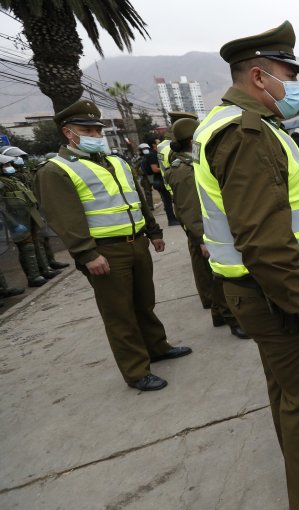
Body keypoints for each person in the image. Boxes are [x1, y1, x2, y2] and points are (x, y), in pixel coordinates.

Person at [194, 21, 299, 510]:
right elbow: (264, 242)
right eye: (288, 75)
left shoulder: (233, 124)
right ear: (257, 76)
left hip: (256, 290)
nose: (296, 87)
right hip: (275, 292)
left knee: (288, 393)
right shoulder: (247, 134)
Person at [34, 99, 191, 391]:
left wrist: (154, 231)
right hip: (105, 251)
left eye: (97, 130)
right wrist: (87, 253)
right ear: (69, 133)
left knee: (144, 302)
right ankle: (136, 370)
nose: (96, 136)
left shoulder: (116, 161)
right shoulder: (56, 170)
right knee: (119, 312)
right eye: (88, 130)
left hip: (136, 243)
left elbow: (137, 199)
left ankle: (157, 347)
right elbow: (65, 218)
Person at [161, 118, 247, 339]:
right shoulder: (184, 170)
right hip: (204, 232)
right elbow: (190, 208)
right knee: (218, 277)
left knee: (214, 274)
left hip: (206, 229)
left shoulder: (192, 162)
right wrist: (202, 239)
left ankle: (219, 314)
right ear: (192, 139)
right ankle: (232, 319)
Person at [0, 154, 61, 287]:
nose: (9, 167)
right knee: (26, 247)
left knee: (36, 242)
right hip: (16, 219)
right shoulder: (3, 183)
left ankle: (44, 270)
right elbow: (3, 205)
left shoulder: (13, 180)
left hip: (28, 215)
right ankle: (33, 276)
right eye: (5, 165)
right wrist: (12, 222)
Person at [140, 140, 179, 226]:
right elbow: (155, 168)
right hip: (159, 180)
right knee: (167, 200)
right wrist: (168, 168)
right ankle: (171, 219)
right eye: (158, 142)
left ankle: (173, 218)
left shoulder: (156, 153)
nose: (160, 143)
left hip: (160, 180)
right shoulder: (153, 155)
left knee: (167, 200)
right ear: (153, 144)